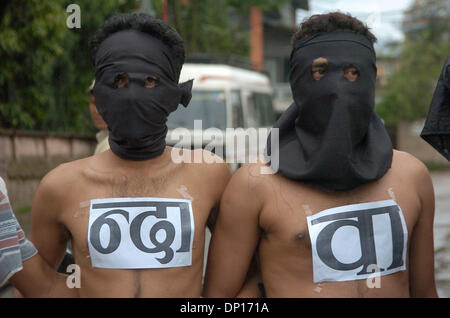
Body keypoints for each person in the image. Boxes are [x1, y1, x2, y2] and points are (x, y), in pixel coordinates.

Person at [203, 12, 438, 298]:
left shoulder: (411, 176)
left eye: (353, 73)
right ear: (298, 80)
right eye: (320, 72)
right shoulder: (255, 184)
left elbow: (425, 291)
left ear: (371, 79)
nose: (338, 87)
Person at [8, 13, 231, 298]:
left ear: (174, 94)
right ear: (98, 92)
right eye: (119, 80)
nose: (132, 95)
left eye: (150, 81)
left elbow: (240, 279)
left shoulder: (209, 174)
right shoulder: (60, 186)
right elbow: (43, 286)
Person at [87, 79, 110, 155]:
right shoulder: (103, 139)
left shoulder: (114, 146)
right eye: (94, 103)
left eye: (104, 103)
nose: (97, 111)